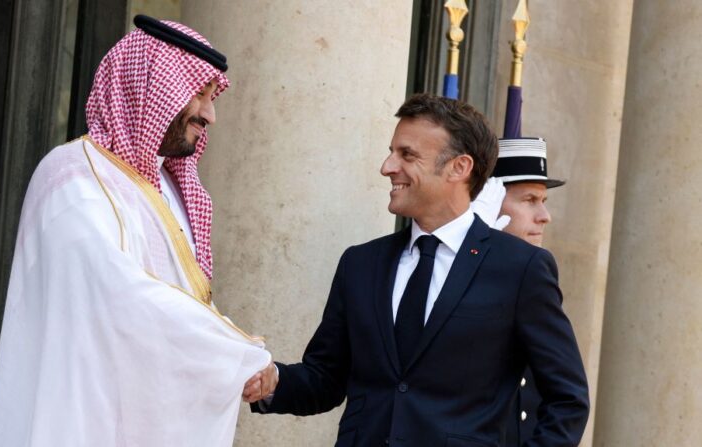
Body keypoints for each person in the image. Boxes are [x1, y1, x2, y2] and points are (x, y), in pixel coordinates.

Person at [0, 16, 271, 447]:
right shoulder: (71, 177)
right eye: (200, 94)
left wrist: (236, 355)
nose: (210, 114)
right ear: (152, 87)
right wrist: (235, 350)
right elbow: (119, 296)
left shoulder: (168, 189)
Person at [249, 94, 589, 446]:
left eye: (407, 155)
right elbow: (325, 379)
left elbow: (567, 400)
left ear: (459, 167)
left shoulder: (521, 269)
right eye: (392, 152)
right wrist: (271, 380)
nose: (387, 166)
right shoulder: (360, 264)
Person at [472, 137, 568, 446]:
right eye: (529, 200)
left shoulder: (535, 271)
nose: (544, 216)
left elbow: (563, 396)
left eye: (543, 201)